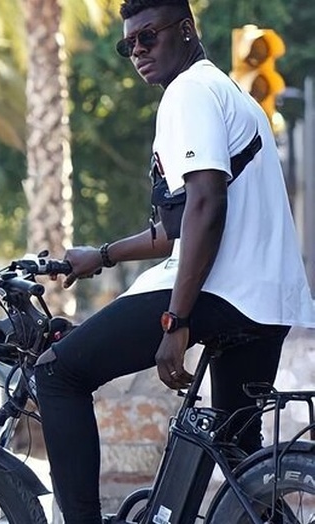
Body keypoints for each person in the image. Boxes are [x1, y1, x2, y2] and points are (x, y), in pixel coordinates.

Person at [33, 1, 315, 523]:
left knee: (58, 375)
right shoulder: (229, 93)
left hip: (220, 291)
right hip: (267, 301)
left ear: (186, 31)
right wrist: (99, 256)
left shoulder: (187, 93)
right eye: (128, 45)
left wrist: (176, 321)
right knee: (239, 461)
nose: (137, 51)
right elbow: (181, 225)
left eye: (148, 37)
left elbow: (208, 205)